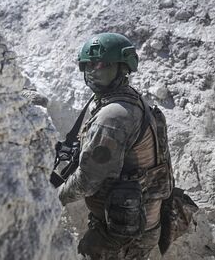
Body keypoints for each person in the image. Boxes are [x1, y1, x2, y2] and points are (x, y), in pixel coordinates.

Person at [58, 33, 173, 260]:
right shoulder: (129, 99)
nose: (93, 71)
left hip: (123, 233)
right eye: (88, 65)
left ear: (123, 68)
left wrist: (52, 197)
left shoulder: (113, 116)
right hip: (137, 222)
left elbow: (87, 181)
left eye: (102, 64)